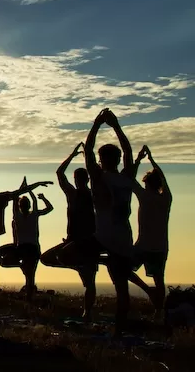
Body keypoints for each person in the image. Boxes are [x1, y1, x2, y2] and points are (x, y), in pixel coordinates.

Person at [84, 108, 159, 335]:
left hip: (103, 240)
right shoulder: (126, 177)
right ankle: (119, 330)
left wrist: (97, 124)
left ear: (101, 160)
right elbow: (127, 149)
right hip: (120, 241)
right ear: (116, 160)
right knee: (122, 290)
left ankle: (119, 329)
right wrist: (115, 125)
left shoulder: (98, 177)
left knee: (61, 255)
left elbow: (87, 149)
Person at [40, 142, 98, 320]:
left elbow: (59, 173)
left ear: (79, 180)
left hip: (86, 242)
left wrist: (73, 155)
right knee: (47, 258)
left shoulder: (87, 195)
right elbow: (60, 174)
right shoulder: (80, 194)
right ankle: (75, 264)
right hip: (76, 242)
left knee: (89, 282)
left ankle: (87, 313)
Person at [132, 145, 172, 306]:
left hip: (143, 246)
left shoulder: (143, 195)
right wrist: (152, 160)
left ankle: (147, 290)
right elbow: (163, 178)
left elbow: (130, 178)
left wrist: (138, 160)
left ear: (147, 183)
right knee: (159, 280)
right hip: (160, 247)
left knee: (122, 268)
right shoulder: (166, 198)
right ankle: (158, 311)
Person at [0, 191, 53, 300]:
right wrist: (40, 196)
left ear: (20, 206)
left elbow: (14, 202)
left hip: (22, 248)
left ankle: (22, 269)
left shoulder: (17, 215)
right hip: (32, 248)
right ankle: (29, 297)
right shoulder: (34, 214)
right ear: (29, 205)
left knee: (25, 272)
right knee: (31, 275)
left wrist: (23, 190)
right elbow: (49, 208)